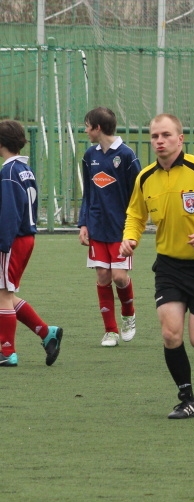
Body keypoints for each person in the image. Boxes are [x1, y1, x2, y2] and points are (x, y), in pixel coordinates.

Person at [120, 113, 194, 419]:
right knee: (170, 334)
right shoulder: (145, 177)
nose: (160, 141)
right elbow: (135, 215)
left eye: (166, 135)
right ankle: (187, 399)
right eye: (155, 136)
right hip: (169, 267)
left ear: (180, 138)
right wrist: (130, 238)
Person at [0, 119, 64, 367]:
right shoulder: (24, 169)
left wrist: (3, 242)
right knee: (7, 293)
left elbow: (10, 212)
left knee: (3, 294)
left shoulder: (8, 172)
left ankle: (7, 351)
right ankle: (47, 333)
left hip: (13, 239)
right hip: (26, 237)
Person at [77, 107, 142, 347]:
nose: (85, 130)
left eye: (87, 126)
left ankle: (128, 315)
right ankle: (110, 331)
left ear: (98, 128)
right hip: (97, 226)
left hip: (121, 229)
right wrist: (84, 223)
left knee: (119, 277)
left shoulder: (126, 155)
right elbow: (88, 193)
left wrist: (134, 227)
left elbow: (138, 193)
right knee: (103, 276)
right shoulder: (89, 155)